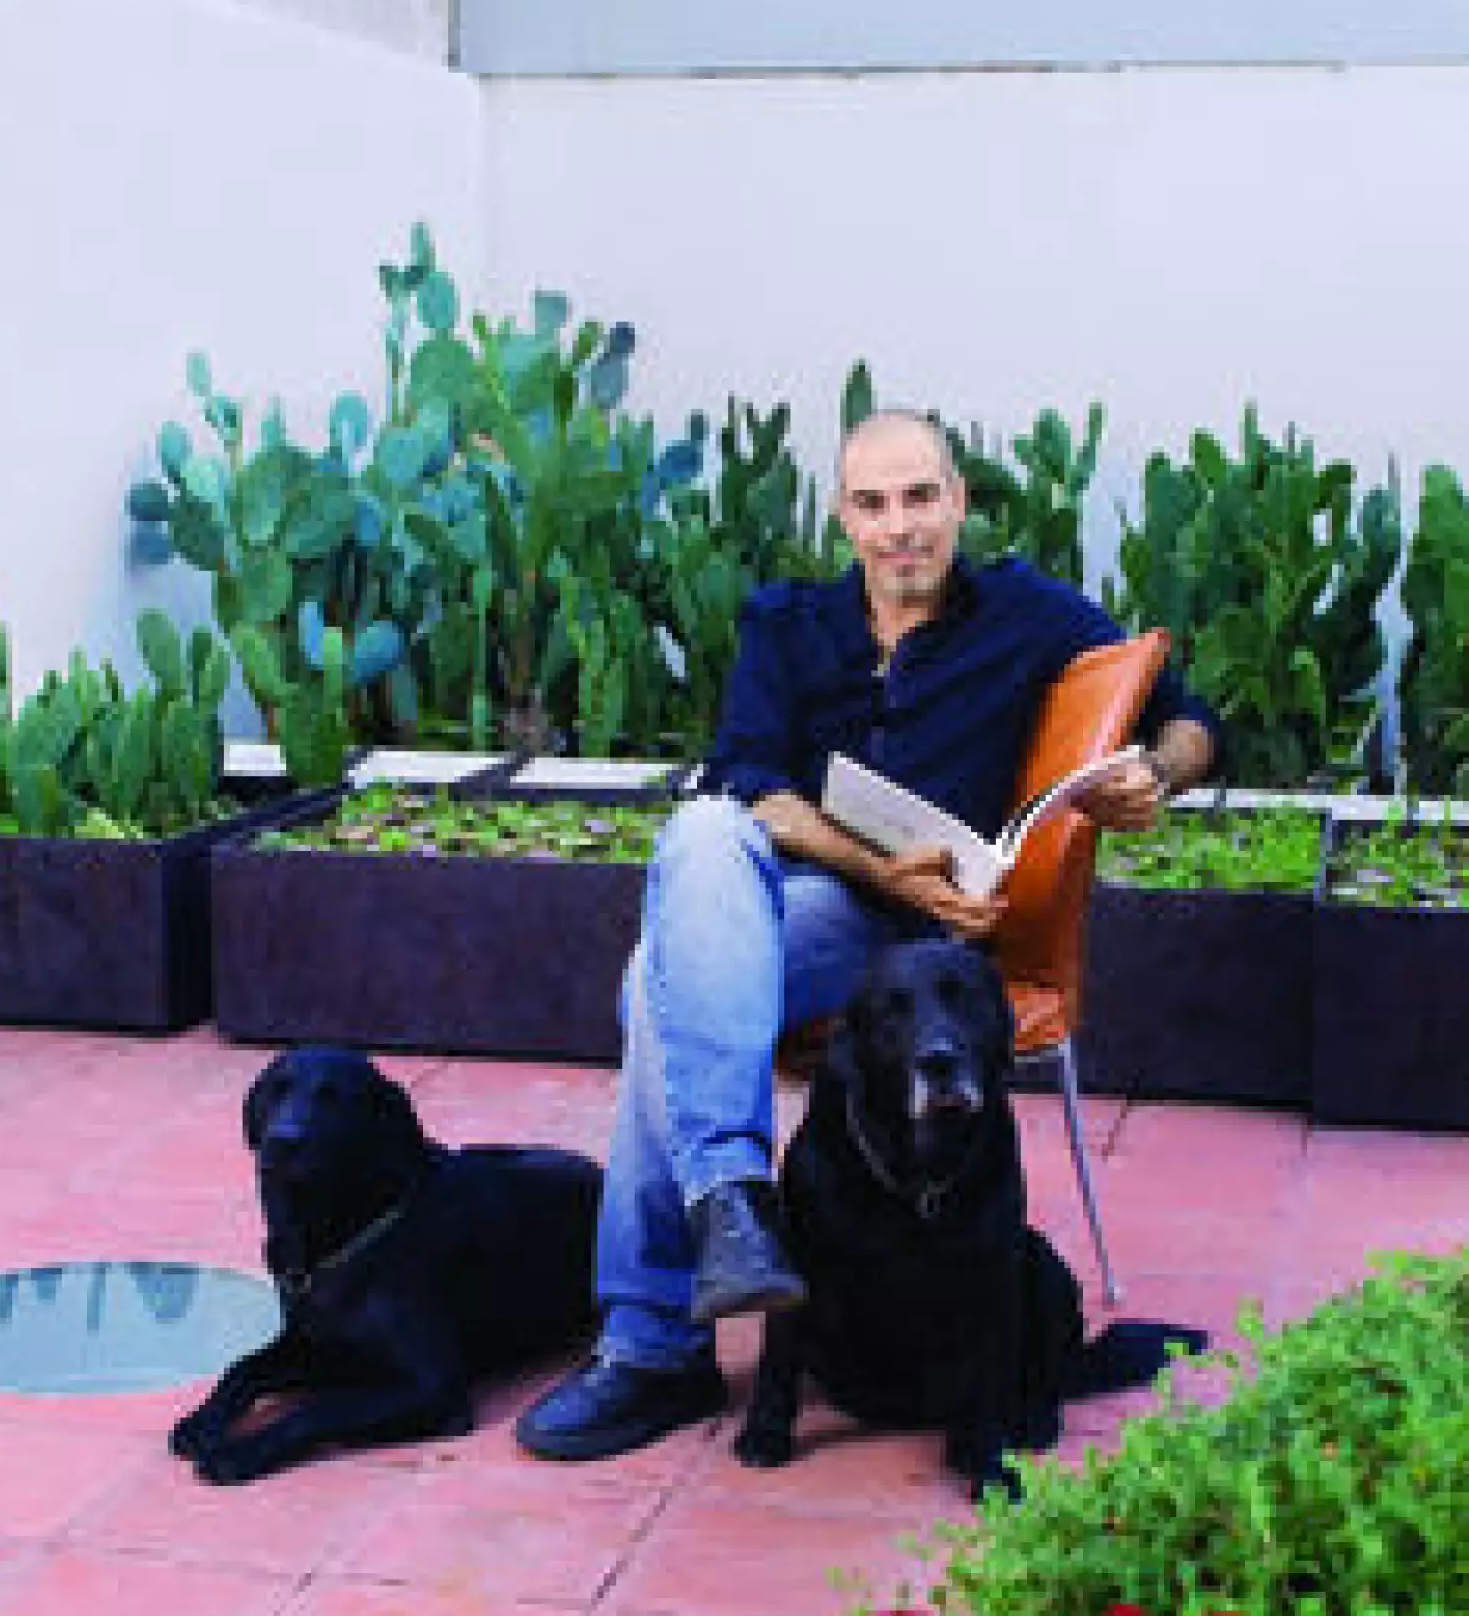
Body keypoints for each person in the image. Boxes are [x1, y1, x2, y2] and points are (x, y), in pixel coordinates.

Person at [515, 410, 1220, 1462]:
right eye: (874, 503)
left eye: (921, 497)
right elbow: (750, 782)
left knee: (655, 988)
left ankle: (656, 1344)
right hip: (803, 903)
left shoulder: (1028, 614)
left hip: (917, 959)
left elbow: (1191, 716)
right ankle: (728, 1200)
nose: (901, 527)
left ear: (957, 500)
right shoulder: (785, 622)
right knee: (705, 831)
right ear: (842, 514)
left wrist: (1154, 773)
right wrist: (870, 859)